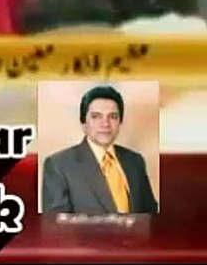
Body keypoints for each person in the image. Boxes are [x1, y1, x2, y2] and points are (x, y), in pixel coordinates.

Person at [41, 84, 159, 215]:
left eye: (113, 116)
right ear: (84, 123)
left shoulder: (135, 161)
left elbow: (150, 215)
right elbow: (57, 227)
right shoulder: (59, 165)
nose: (105, 124)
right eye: (96, 116)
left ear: (120, 123)